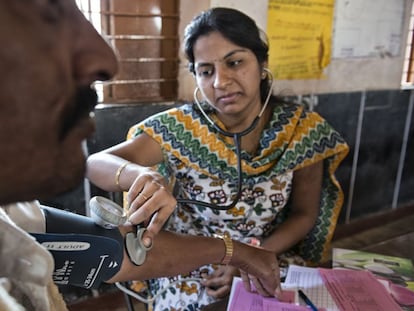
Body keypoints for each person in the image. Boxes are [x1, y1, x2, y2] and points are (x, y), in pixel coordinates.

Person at [86, 7, 349, 311]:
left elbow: (304, 215)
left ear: (262, 64)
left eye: (235, 62)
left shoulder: (302, 130)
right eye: (206, 71)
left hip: (268, 256)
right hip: (195, 267)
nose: (220, 82)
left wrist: (253, 256)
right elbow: (96, 163)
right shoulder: (181, 129)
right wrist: (140, 176)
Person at [0, 1, 120, 310]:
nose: (105, 60)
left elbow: (124, 254)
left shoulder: (12, 213)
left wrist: (236, 253)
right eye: (45, 6)